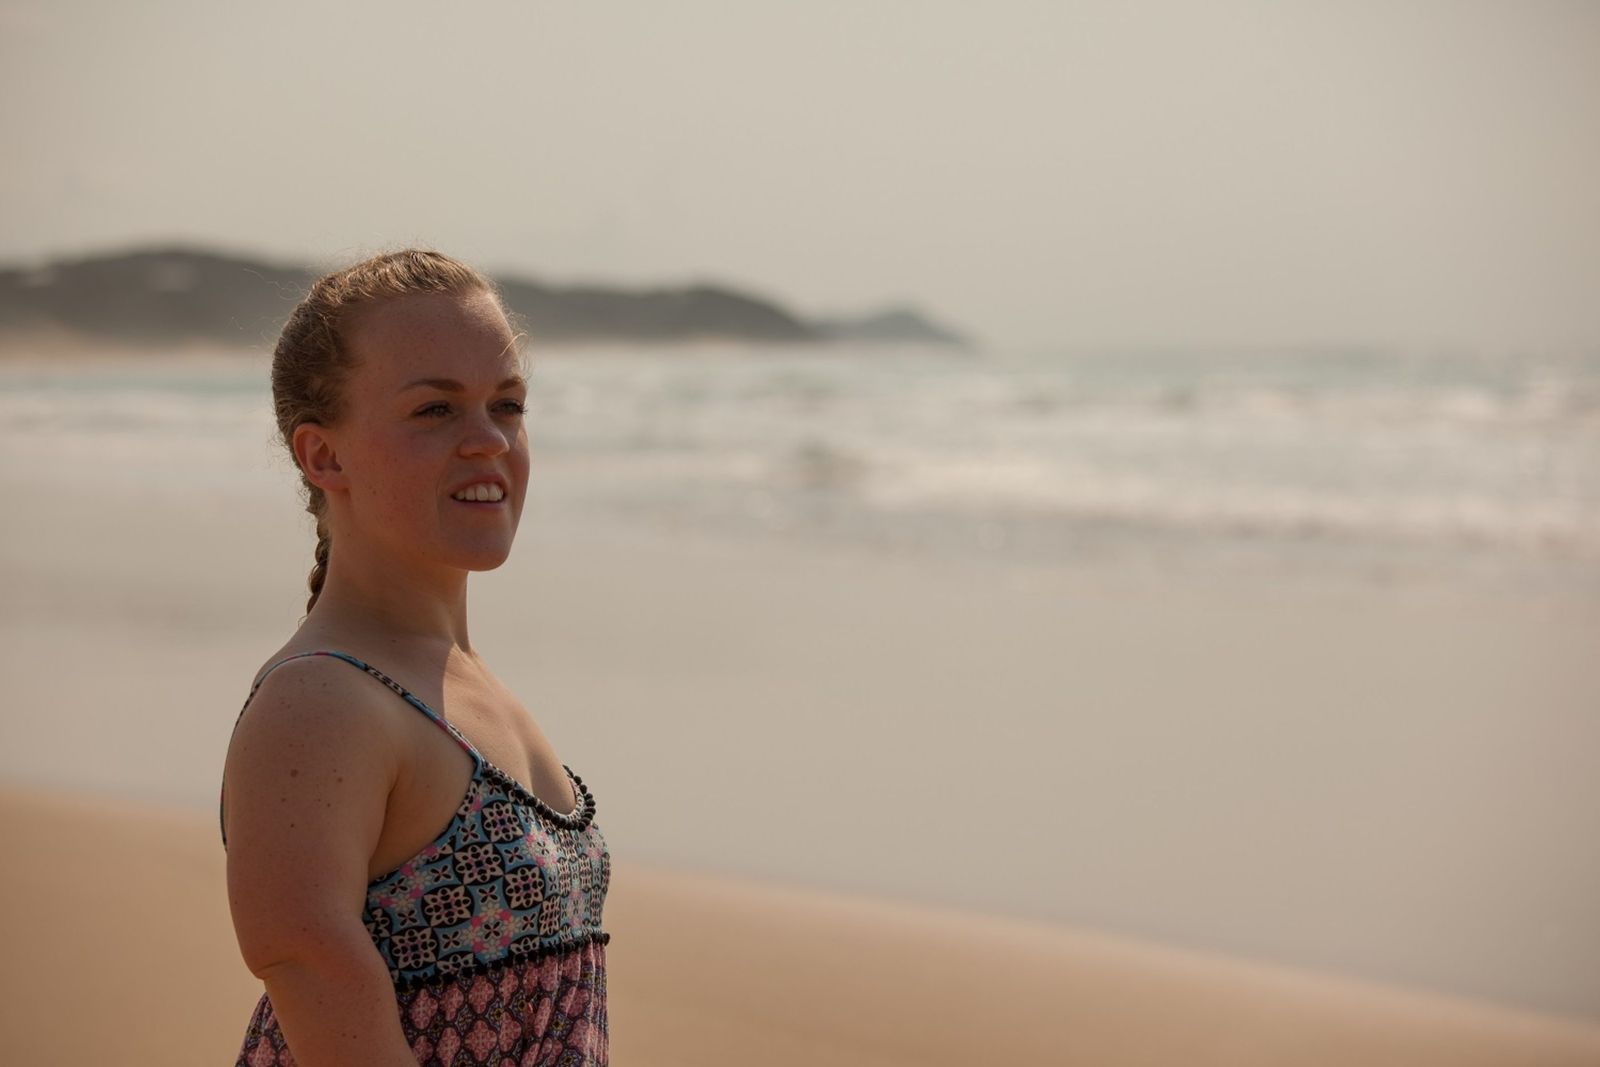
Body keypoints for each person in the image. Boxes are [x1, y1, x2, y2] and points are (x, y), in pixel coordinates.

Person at [217, 250, 611, 1066]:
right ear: (324, 456)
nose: (489, 440)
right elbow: (306, 960)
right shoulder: (322, 700)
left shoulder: (451, 677)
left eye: (507, 404)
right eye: (436, 409)